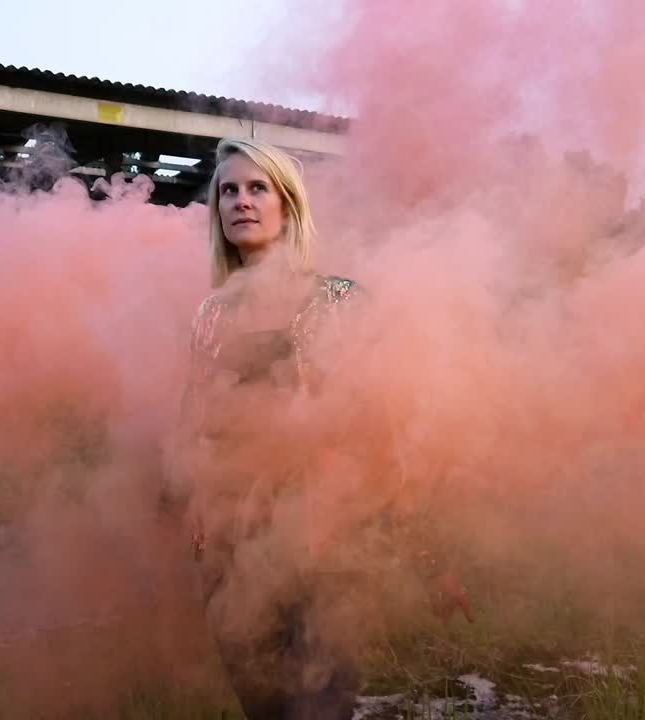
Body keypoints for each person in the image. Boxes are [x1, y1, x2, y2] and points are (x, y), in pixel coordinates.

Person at [168, 138, 469, 720]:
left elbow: (380, 437)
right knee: (264, 708)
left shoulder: (338, 302)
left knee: (317, 709)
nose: (241, 201)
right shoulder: (210, 317)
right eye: (228, 191)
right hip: (231, 561)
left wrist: (430, 559)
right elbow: (191, 428)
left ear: (288, 207)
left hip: (324, 555)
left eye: (258, 188)